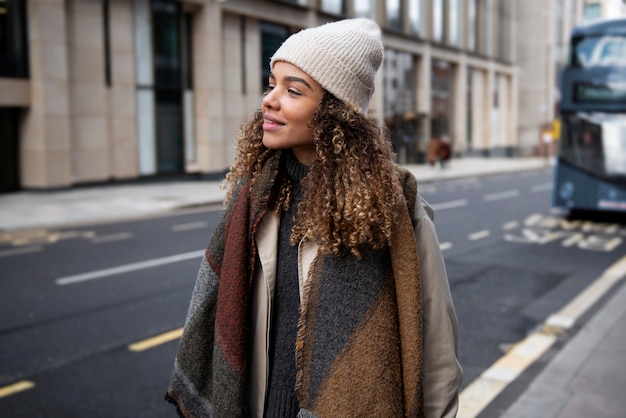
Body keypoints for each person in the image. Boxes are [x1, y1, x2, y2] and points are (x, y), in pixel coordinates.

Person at [165, 18, 462, 418]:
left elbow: (436, 347)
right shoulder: (255, 196)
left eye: (293, 90)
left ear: (335, 112)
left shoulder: (391, 207)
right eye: (271, 84)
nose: (269, 100)